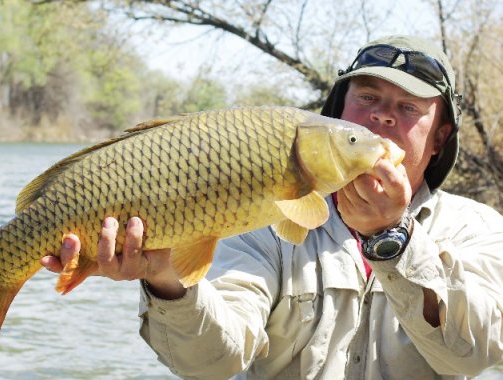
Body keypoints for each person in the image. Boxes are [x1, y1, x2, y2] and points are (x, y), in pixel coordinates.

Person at [41, 35, 503, 379]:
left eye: (408, 108)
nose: (383, 116)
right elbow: (211, 362)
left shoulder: (479, 230)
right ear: (337, 113)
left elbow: (468, 353)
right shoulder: (263, 216)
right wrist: (164, 279)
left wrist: (394, 237)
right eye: (367, 98)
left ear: (441, 136)